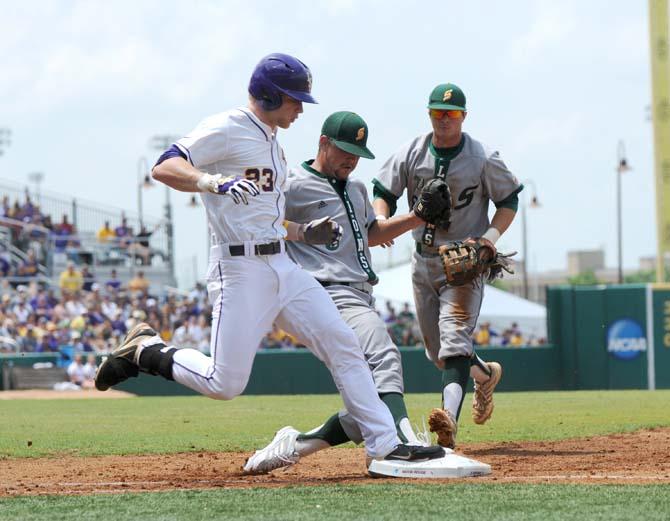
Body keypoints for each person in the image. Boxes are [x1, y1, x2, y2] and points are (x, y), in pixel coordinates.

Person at [94, 53, 443, 474]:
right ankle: (146, 351)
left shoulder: (272, 141)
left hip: (282, 265)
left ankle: (384, 444)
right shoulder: (229, 127)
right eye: (295, 100)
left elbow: (265, 219)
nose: (300, 109)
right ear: (271, 94)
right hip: (239, 270)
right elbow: (165, 165)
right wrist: (209, 180)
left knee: (344, 345)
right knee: (225, 384)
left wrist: (301, 233)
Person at [244, 111, 448, 474]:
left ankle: (296, 445)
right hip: (327, 291)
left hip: (361, 292)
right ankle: (400, 443)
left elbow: (371, 234)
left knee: (367, 398)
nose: (351, 160)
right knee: (383, 355)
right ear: (323, 143)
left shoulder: (356, 188)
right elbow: (263, 224)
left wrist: (417, 217)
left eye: (357, 153)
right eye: (345, 150)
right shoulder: (292, 186)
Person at [372, 83, 521, 448]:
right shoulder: (412, 151)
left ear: (463, 117)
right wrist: (383, 219)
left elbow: (509, 200)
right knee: (438, 354)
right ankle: (484, 375)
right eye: (438, 111)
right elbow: (383, 191)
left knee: (454, 344)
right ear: (429, 114)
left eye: (451, 113)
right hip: (422, 261)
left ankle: (448, 424)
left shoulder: (483, 156)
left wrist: (489, 239)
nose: (444, 119)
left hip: (463, 262)